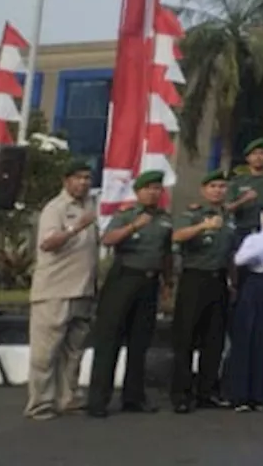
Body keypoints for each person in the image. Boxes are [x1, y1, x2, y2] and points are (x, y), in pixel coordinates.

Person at [87, 170, 174, 418]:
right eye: (148, 188)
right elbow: (108, 239)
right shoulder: (126, 215)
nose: (153, 192)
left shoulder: (165, 219)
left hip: (149, 282)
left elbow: (166, 253)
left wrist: (168, 282)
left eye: (157, 188)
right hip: (124, 279)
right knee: (109, 340)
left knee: (140, 342)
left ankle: (134, 397)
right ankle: (98, 400)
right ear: (138, 192)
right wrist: (133, 226)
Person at [25, 160, 99, 420]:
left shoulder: (90, 205)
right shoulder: (55, 209)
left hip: (83, 290)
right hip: (54, 291)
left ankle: (68, 399)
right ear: (65, 181)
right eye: (78, 178)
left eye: (87, 178)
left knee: (74, 352)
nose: (83, 183)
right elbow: (47, 243)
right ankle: (40, 404)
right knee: (45, 353)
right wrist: (75, 227)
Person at [169, 169, 239, 414]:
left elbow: (231, 253)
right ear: (204, 190)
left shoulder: (229, 216)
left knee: (214, 340)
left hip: (218, 280)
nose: (218, 190)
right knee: (186, 338)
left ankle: (206, 391)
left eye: (221, 186)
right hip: (194, 278)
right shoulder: (192, 212)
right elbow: (177, 236)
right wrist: (202, 226)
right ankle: (181, 393)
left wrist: (233, 282)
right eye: (213, 186)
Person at [227, 200, 263, 412]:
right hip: (254, 285)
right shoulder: (254, 239)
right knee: (247, 338)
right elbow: (240, 259)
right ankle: (241, 395)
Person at [225, 138, 263, 240]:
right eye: (254, 154)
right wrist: (244, 200)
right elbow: (227, 208)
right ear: (248, 158)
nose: (258, 157)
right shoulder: (237, 181)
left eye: (262, 153)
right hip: (243, 230)